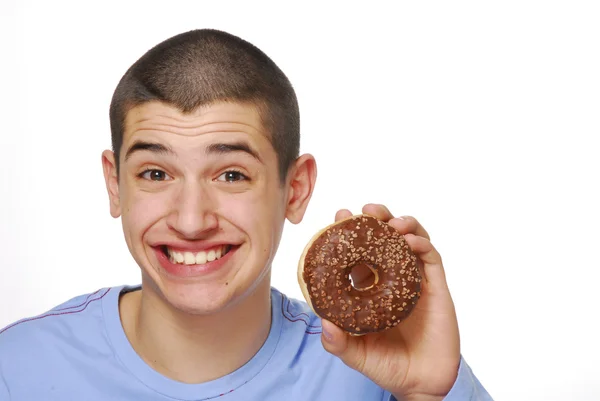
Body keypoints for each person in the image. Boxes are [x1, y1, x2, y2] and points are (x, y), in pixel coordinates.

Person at [0, 29, 493, 400]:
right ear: (115, 185)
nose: (191, 220)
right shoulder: (17, 369)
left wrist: (429, 395)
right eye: (155, 173)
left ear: (295, 190)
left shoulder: (379, 372)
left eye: (231, 175)